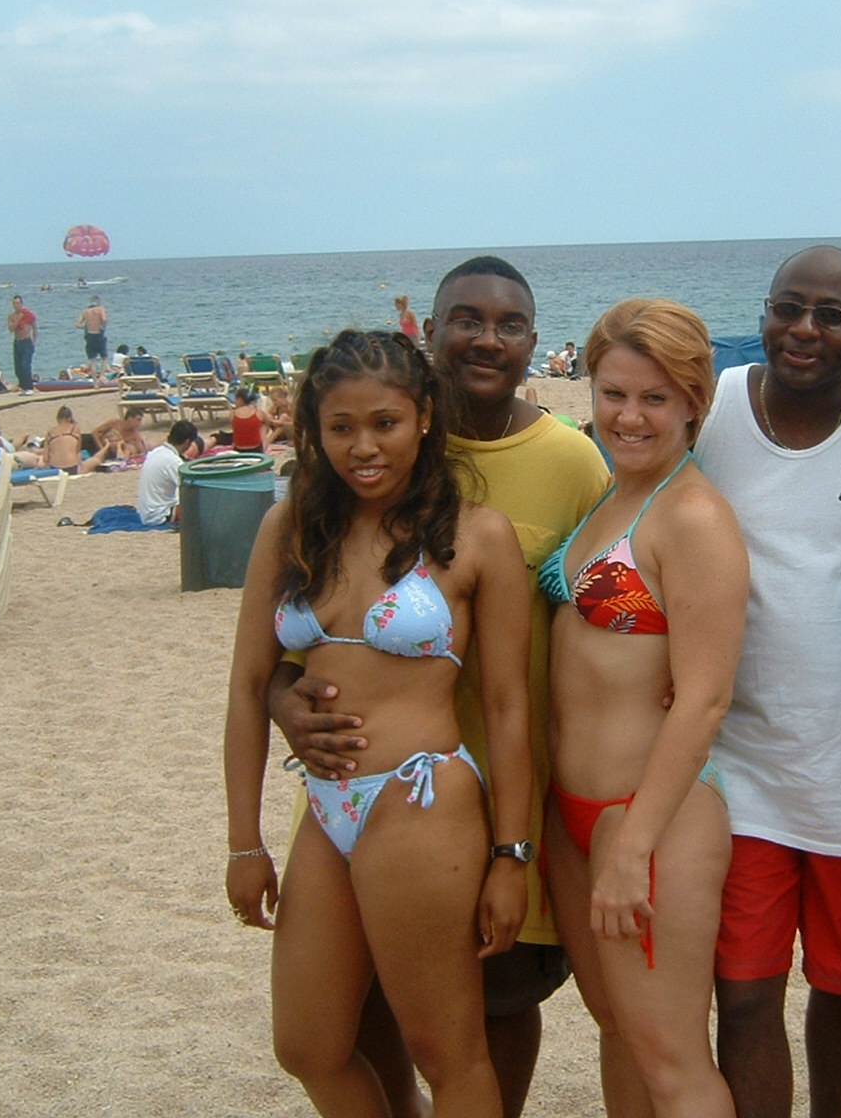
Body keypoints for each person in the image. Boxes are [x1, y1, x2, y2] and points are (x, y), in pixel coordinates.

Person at [269, 256, 609, 1118]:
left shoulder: (573, 463)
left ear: (534, 341)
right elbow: (304, 623)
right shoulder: (376, 443)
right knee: (355, 1012)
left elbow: (616, 606)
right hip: (357, 785)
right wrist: (281, 698)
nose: (486, 339)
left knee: (499, 1004)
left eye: (509, 324)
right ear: (429, 333)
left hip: (504, 788)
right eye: (466, 319)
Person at [224, 329, 533, 1118]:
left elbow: (507, 707)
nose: (363, 447)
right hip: (325, 808)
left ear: (425, 416)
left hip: (420, 801)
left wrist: (512, 855)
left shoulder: (478, 535)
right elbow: (249, 686)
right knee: (309, 1046)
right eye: (341, 427)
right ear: (315, 431)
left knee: (447, 1051)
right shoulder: (291, 528)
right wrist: (244, 842)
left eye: (384, 423)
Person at [692, 246, 841, 1118]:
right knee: (743, 991)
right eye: (789, 307)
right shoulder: (715, 406)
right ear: (765, 311)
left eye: (832, 315)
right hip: (739, 764)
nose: (805, 330)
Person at [541, 299, 747, 1115]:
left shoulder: (692, 515)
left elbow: (705, 697)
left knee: (673, 1062)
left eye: (654, 399)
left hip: (652, 817)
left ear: (694, 403)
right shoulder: (612, 497)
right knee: (619, 1031)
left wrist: (632, 849)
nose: (629, 417)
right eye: (614, 394)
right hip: (575, 812)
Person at [135, 420, 198, 526]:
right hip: (159, 515)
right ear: (187, 442)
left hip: (146, 512)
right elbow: (187, 489)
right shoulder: (173, 461)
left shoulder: (156, 452)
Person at [7, 295, 37, 394]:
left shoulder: (28, 315)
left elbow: (35, 328)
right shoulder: (11, 316)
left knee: (25, 365)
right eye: (14, 303)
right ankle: (23, 387)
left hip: (26, 342)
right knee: (18, 368)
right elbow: (11, 329)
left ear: (21, 304)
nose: (16, 305)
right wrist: (18, 319)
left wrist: (34, 341)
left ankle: (29, 387)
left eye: (18, 303)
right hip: (17, 342)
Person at [76, 296, 109, 380]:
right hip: (99, 334)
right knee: (104, 358)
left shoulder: (85, 312)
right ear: (98, 302)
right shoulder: (100, 309)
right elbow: (104, 319)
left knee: (93, 360)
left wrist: (86, 326)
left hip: (89, 336)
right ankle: (102, 376)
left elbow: (78, 325)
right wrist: (101, 325)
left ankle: (95, 381)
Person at [230, 386, 269, 452]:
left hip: (238, 449)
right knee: (263, 425)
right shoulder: (259, 413)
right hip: (256, 449)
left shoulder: (233, 413)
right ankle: (264, 445)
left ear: (239, 399)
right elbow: (268, 423)